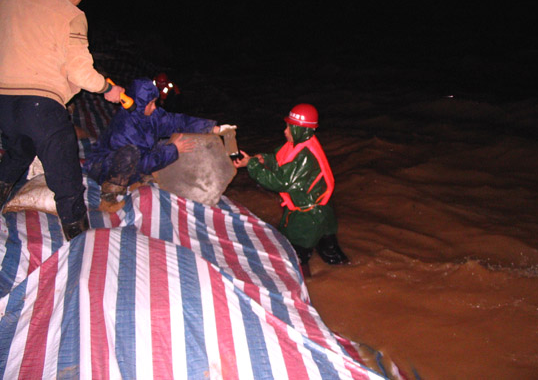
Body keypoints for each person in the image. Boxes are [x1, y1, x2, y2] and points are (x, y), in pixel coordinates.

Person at [0, 0, 125, 240]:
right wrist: (108, 88)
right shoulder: (70, 13)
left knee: (20, 150)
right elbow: (80, 71)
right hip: (40, 105)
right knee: (66, 174)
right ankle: (79, 241)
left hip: (4, 103)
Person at [233, 103, 349, 276]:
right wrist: (262, 159)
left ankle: (307, 287)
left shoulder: (305, 156)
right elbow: (280, 160)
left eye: (289, 127)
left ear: (300, 130)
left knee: (294, 258)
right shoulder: (301, 144)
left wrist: (253, 166)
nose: (285, 131)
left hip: (307, 217)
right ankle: (345, 277)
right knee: (333, 256)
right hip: (322, 212)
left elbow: (278, 182)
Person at [83, 77, 231, 204]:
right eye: (151, 103)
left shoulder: (150, 115)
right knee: (131, 154)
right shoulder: (125, 127)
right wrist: (173, 150)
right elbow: (141, 162)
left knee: (166, 145)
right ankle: (109, 195)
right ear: (140, 104)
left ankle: (137, 179)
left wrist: (212, 128)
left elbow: (177, 122)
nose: (154, 107)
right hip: (103, 168)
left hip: (132, 161)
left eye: (154, 102)